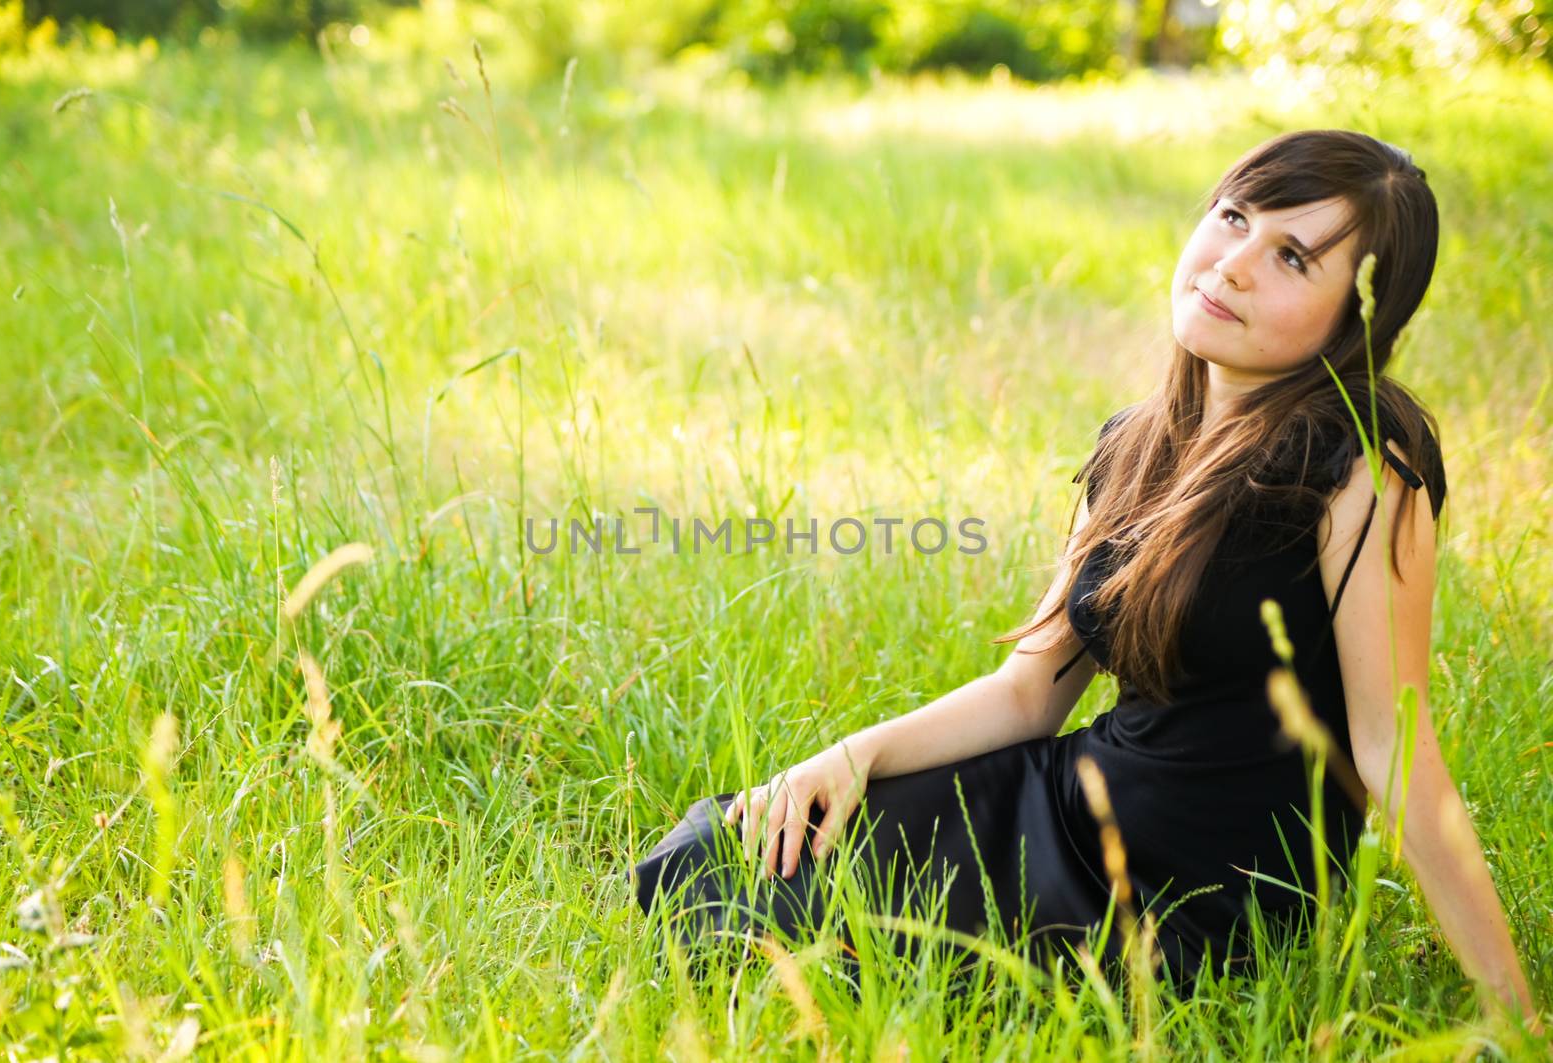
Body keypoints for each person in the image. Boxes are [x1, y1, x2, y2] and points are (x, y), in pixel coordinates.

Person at [629, 130, 1542, 1028]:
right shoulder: (1134, 441)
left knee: (827, 933)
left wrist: (1517, 1016)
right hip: (1072, 802)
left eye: (1293, 257)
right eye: (1233, 217)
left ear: (1359, 317)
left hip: (1193, 899)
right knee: (724, 855)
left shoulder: (1363, 470)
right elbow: (1029, 691)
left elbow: (1394, 752)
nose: (1232, 264)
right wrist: (853, 755)